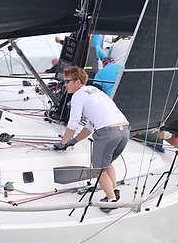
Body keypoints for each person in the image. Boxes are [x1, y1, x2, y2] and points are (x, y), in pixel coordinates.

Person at [55, 66, 129, 210]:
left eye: (67, 81)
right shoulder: (96, 92)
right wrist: (74, 141)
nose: (65, 84)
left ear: (77, 82)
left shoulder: (78, 95)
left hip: (107, 132)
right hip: (124, 130)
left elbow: (73, 123)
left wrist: (62, 143)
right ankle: (114, 191)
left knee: (97, 170)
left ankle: (111, 200)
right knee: (107, 164)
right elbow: (89, 126)